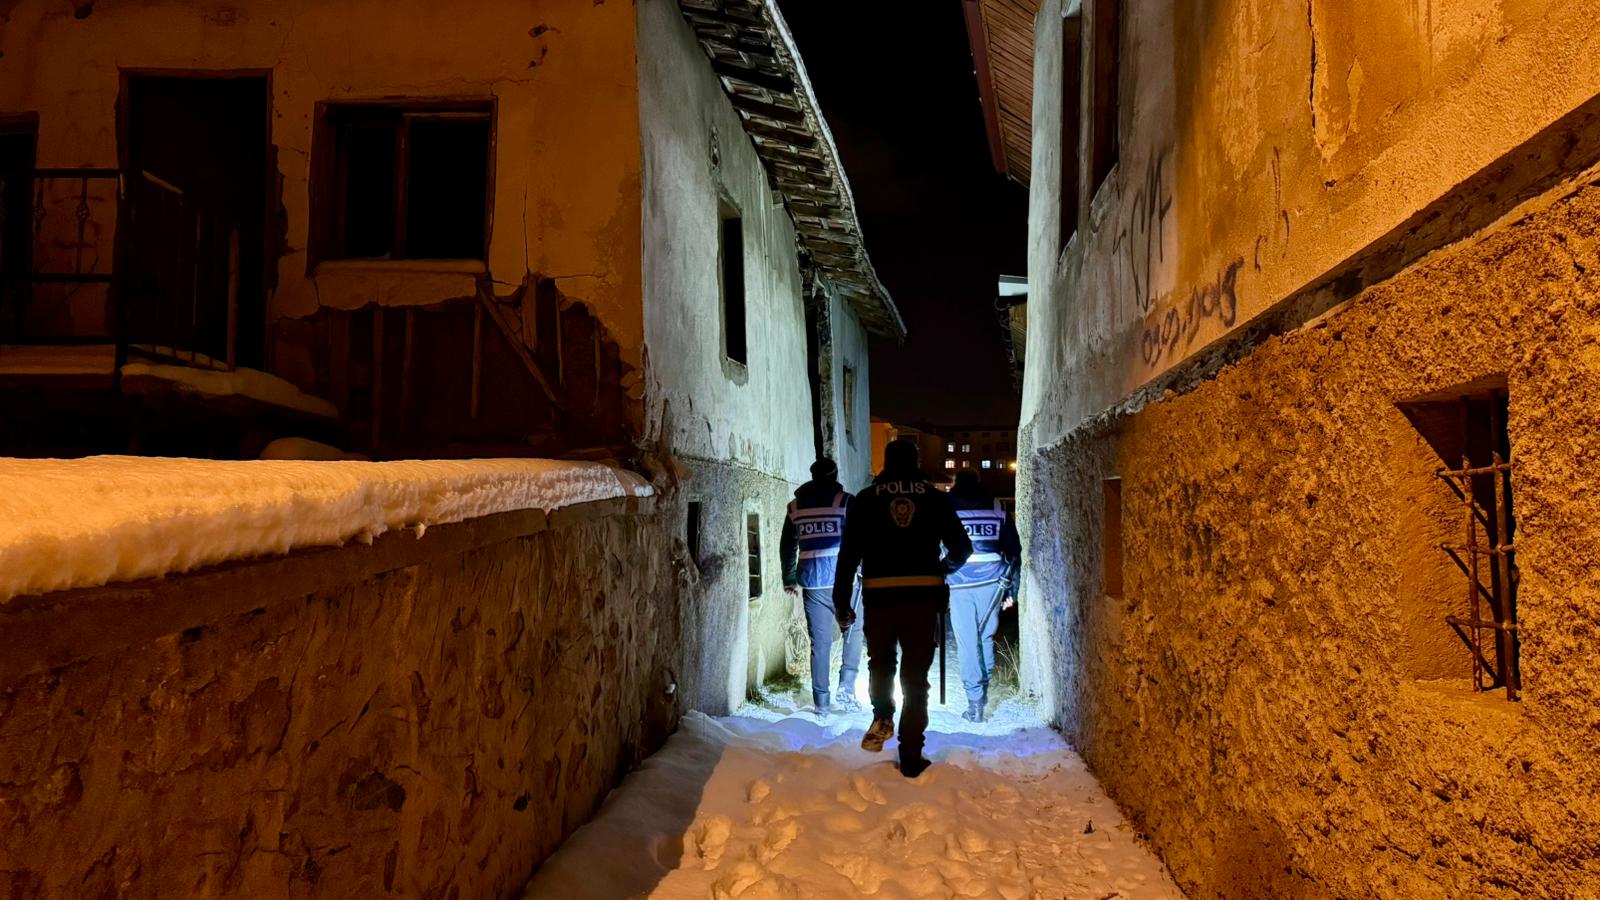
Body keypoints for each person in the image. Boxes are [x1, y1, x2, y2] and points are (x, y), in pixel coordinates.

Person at [833, 438, 972, 778]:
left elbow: (848, 554)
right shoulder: (935, 498)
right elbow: (962, 547)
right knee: (915, 676)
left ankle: (882, 713)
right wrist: (942, 568)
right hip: (922, 596)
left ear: (886, 462)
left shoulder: (866, 499)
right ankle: (911, 752)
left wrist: (841, 600)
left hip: (879, 595)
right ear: (916, 462)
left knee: (880, 662)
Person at [779, 457, 864, 718]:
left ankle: (822, 703)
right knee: (853, 632)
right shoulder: (845, 502)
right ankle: (847, 685)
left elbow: (787, 546)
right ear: (835, 476)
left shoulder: (795, 507)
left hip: (813, 583)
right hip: (845, 582)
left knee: (820, 644)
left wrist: (789, 579)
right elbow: (861, 538)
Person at [946, 469, 1022, 723]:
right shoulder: (997, 505)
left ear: (956, 482)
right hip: (993, 580)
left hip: (959, 580)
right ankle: (983, 690)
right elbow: (1013, 549)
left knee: (967, 641)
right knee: (985, 637)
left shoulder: (946, 504)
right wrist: (1012, 590)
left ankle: (975, 701)